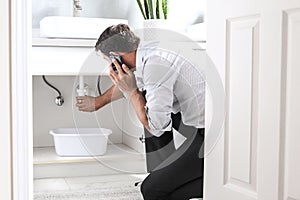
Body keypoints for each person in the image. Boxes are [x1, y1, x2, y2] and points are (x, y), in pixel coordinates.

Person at [76, 24, 205, 200]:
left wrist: (132, 93)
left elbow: (157, 127)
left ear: (115, 56)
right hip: (200, 124)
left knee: (151, 190)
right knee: (147, 102)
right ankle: (162, 173)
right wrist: (99, 102)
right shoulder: (147, 54)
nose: (109, 65)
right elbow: (138, 83)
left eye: (108, 60)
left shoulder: (155, 63)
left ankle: (209, 181)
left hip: (211, 137)